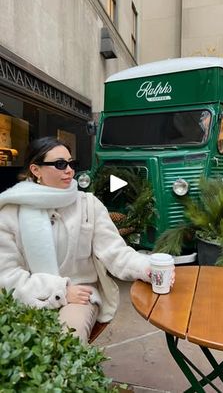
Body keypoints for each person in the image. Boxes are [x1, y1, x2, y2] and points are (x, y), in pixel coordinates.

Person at [0, 136, 169, 343]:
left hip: (80, 297)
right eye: (60, 164)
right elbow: (6, 275)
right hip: (28, 298)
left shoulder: (88, 204)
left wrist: (147, 268)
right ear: (36, 170)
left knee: (66, 342)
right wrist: (59, 290)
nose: (69, 170)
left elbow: (115, 252)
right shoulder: (11, 211)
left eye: (71, 163)